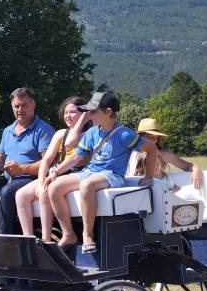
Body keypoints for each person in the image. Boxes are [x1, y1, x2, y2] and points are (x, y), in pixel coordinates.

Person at [44, 91, 158, 253]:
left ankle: (87, 235)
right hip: (90, 172)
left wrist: (149, 175)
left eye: (93, 111)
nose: (88, 115)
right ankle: (69, 234)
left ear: (108, 112)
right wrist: (56, 172)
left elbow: (152, 150)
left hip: (113, 175)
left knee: (87, 185)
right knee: (54, 187)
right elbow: (75, 156)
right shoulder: (91, 132)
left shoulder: (124, 134)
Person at [0, 87, 55, 234]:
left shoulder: (44, 129)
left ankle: (5, 237)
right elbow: (0, 161)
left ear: (33, 105)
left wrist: (21, 169)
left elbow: (48, 162)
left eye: (24, 105)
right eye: (17, 106)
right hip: (9, 180)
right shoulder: (8, 131)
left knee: (7, 191)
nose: (20, 109)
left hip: (32, 179)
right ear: (12, 107)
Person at [14, 96, 91, 241]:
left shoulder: (89, 134)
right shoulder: (60, 133)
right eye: (66, 112)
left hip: (74, 174)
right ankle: (28, 239)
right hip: (55, 174)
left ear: (84, 114)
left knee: (45, 194)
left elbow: (71, 145)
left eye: (73, 112)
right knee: (21, 195)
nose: (68, 116)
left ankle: (46, 239)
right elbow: (46, 160)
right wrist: (41, 182)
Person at [129, 118, 204, 190]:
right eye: (149, 136)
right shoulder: (130, 152)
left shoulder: (162, 153)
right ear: (140, 136)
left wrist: (196, 169)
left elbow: (188, 166)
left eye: (156, 137)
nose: (153, 140)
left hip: (158, 190)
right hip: (137, 191)